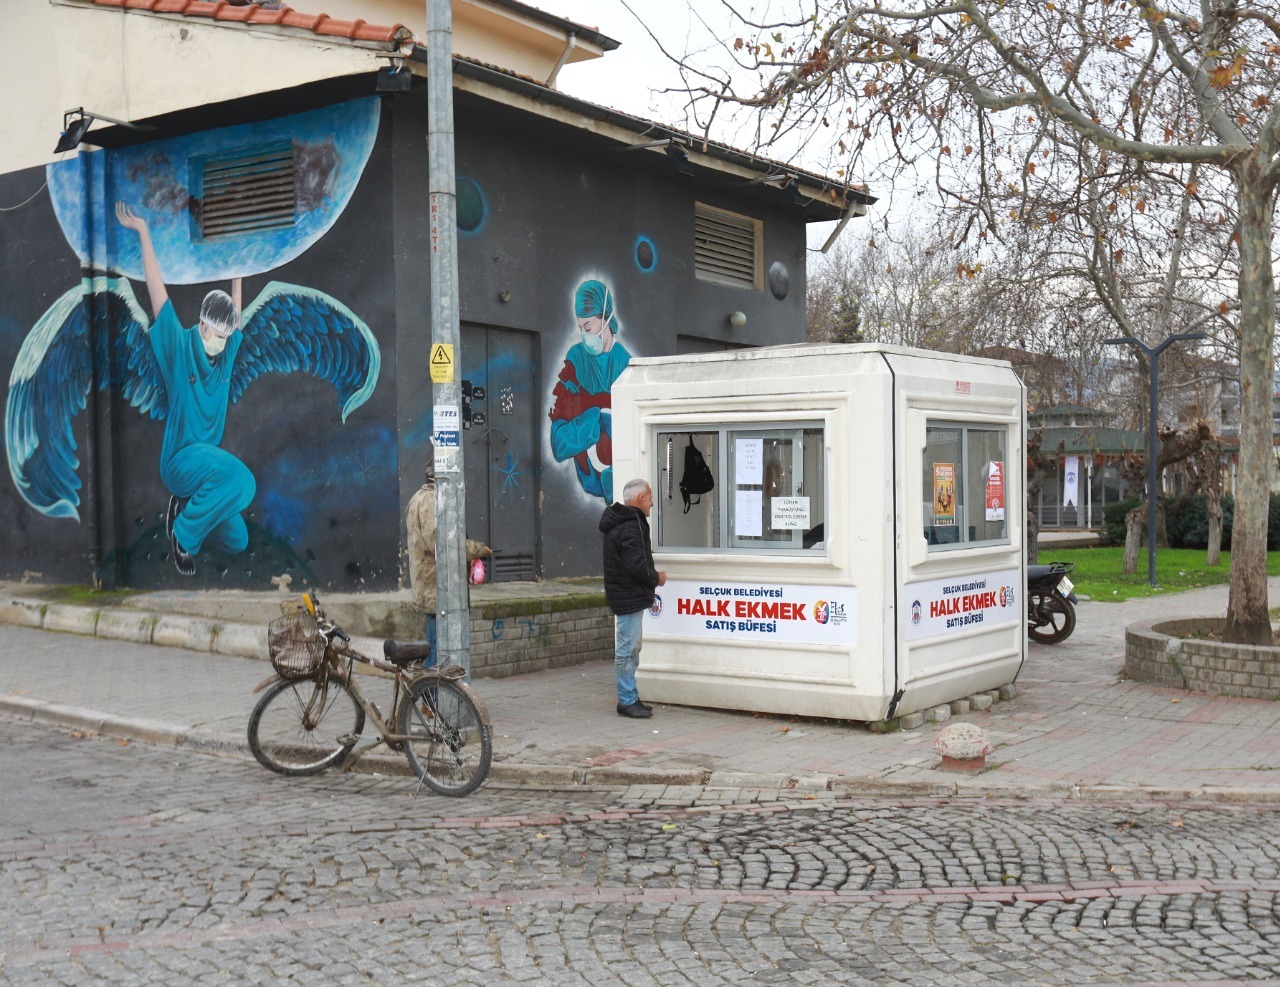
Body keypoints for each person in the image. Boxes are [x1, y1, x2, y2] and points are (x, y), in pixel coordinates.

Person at [115, 202, 254, 577]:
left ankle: (187, 510)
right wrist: (143, 232)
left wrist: (237, 272)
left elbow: (236, 313)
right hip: (179, 460)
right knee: (243, 481)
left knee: (238, 539)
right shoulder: (178, 346)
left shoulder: (225, 355)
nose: (223, 343)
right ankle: (182, 534)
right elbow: (157, 293)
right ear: (204, 326)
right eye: (219, 335)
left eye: (228, 336)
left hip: (205, 468)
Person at [548, 279, 632, 502]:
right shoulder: (575, 362)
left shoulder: (626, 366)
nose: (585, 335)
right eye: (580, 328)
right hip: (589, 477)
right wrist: (596, 419)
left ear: (607, 318)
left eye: (588, 327)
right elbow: (559, 443)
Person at [405, 467, 492, 666]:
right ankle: (431, 694)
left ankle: (429, 692)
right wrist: (476, 549)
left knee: (434, 643)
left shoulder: (419, 497)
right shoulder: (429, 500)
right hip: (435, 585)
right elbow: (441, 543)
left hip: (431, 583)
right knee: (437, 646)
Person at [599, 477, 666, 719]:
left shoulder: (625, 521)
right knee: (628, 648)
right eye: (649, 498)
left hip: (626, 594)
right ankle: (627, 700)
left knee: (632, 647)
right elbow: (636, 564)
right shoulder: (631, 524)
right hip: (628, 595)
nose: (652, 503)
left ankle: (630, 696)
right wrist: (656, 578)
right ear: (640, 498)